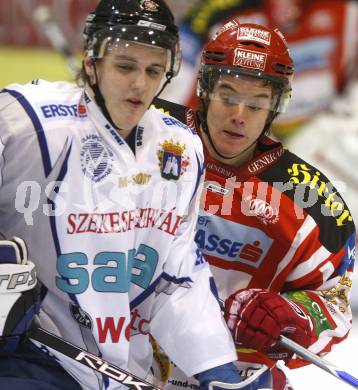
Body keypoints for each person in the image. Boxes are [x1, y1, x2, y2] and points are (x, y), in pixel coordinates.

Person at [0, 1, 252, 389]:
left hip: (125, 370)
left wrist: (215, 367)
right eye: (124, 67)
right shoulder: (26, 119)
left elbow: (175, 276)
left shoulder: (180, 148)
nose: (140, 84)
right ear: (90, 62)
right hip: (27, 359)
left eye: (153, 70)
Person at [150, 19, 356, 390]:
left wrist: (291, 314)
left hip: (232, 372)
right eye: (228, 96)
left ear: (276, 106)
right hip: (117, 352)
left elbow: (336, 303)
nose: (239, 115)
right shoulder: (146, 133)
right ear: (205, 90)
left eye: (257, 103)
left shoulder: (314, 202)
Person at [160, 0, 358, 140]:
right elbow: (175, 107)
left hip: (324, 140)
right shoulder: (214, 17)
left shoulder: (345, 9)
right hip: (236, 146)